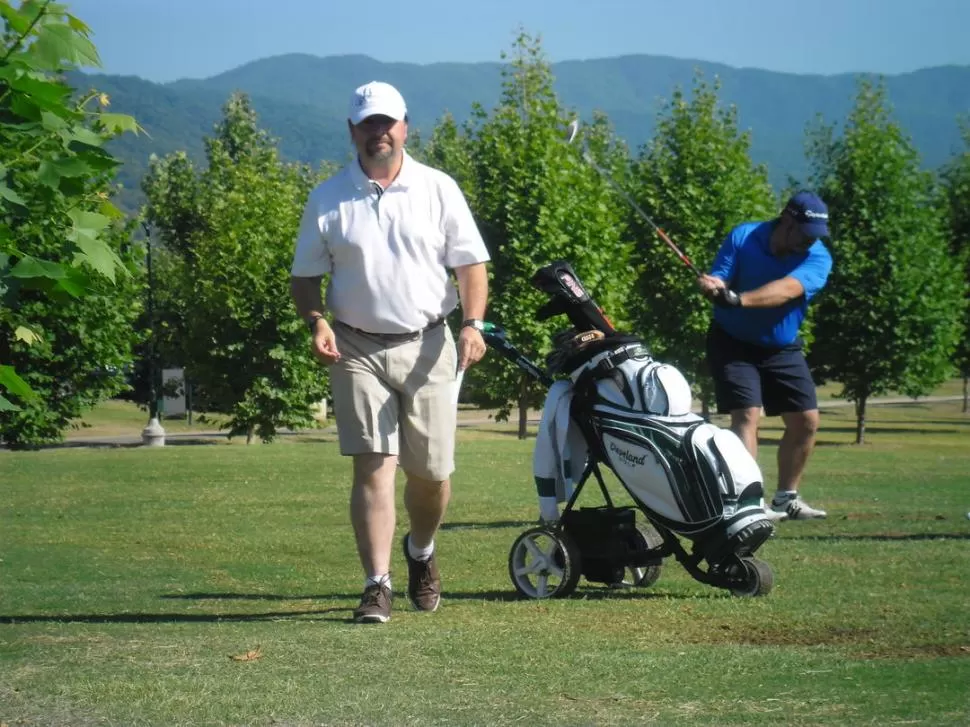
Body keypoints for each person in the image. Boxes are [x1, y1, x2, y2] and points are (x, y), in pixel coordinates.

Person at [290, 81, 490, 623]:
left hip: (428, 343)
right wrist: (316, 321)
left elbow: (471, 266)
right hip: (354, 346)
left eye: (387, 122)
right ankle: (376, 583)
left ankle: (420, 550)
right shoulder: (327, 197)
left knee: (430, 473)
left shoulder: (438, 188)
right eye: (367, 124)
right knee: (374, 466)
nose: (378, 132)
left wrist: (473, 324)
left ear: (405, 127)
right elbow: (305, 277)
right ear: (352, 131)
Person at [697, 191, 833, 522]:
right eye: (804, 234)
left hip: (782, 347)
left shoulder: (818, 257)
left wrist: (739, 300)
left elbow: (787, 289)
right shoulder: (744, 236)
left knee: (806, 422)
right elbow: (721, 276)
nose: (809, 243)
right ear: (787, 219)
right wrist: (713, 285)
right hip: (733, 342)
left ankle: (787, 498)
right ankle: (749, 502)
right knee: (747, 415)